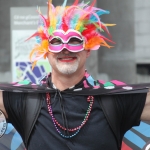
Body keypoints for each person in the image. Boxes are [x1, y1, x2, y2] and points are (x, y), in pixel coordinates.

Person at [0, 0, 150, 149]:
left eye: (74, 40)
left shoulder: (114, 98)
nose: (65, 49)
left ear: (88, 49)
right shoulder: (26, 99)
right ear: (46, 51)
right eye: (57, 41)